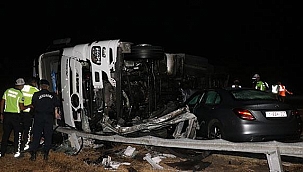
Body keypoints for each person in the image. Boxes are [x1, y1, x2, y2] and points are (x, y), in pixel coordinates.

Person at [29, 79, 60, 161]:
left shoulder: (36, 94)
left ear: (40, 86)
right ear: (48, 86)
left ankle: (34, 154)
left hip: (38, 116)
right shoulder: (52, 95)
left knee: (36, 135)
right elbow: (57, 104)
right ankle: (46, 154)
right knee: (48, 135)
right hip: (48, 117)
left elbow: (34, 105)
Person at [0, 78, 27, 158]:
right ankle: (17, 153)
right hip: (16, 117)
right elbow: (21, 108)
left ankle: (2, 152)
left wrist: (1, 114)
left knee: (5, 135)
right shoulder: (19, 94)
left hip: (7, 115)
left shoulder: (7, 91)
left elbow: (2, 102)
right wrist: (29, 106)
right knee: (17, 135)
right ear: (21, 85)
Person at [21, 77, 39, 151]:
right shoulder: (35, 90)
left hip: (20, 111)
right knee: (27, 129)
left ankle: (19, 144)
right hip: (29, 112)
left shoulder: (22, 88)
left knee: (19, 129)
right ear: (34, 82)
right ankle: (25, 145)